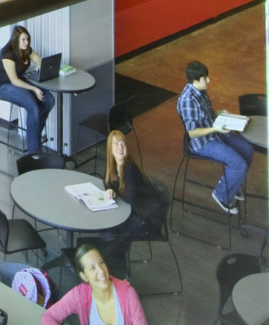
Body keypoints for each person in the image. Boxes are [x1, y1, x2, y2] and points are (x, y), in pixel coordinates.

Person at [40, 243, 154, 325]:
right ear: (84, 276)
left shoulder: (128, 295)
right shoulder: (80, 295)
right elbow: (47, 318)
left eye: (101, 263)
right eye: (92, 268)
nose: (101, 271)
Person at [175, 60, 255, 214]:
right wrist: (214, 128)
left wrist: (220, 113)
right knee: (239, 164)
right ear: (196, 80)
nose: (209, 81)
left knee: (247, 149)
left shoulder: (201, 91)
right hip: (202, 142)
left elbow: (208, 114)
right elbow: (192, 132)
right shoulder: (188, 100)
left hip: (214, 130)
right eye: (206, 78)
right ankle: (221, 195)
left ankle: (230, 183)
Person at [0, 24, 55, 155]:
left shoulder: (26, 49)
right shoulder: (7, 53)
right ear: (16, 40)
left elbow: (38, 58)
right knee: (33, 106)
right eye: (23, 40)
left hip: (21, 82)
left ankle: (34, 134)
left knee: (49, 100)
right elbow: (14, 80)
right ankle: (34, 152)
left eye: (27, 39)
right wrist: (34, 89)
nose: (26, 43)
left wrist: (38, 63)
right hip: (6, 86)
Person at [103, 129, 167, 241]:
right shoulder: (113, 166)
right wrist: (109, 189)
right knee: (105, 228)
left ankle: (114, 256)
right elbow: (106, 181)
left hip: (145, 221)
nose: (120, 148)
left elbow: (129, 199)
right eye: (116, 144)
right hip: (134, 213)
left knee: (108, 231)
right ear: (110, 148)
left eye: (123, 144)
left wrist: (115, 195)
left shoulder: (129, 167)